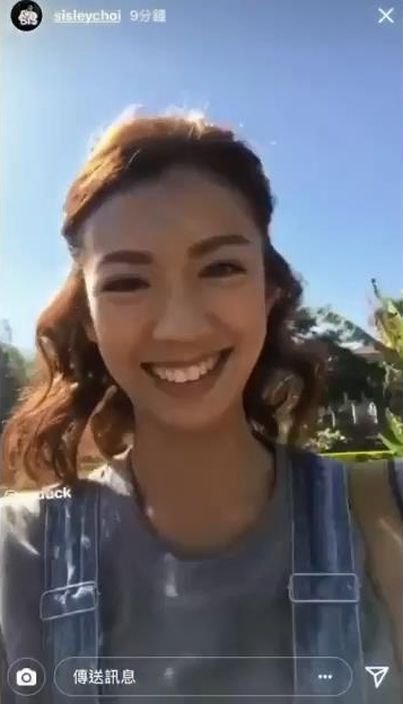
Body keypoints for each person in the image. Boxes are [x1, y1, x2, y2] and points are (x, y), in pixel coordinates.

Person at [0, 110, 402, 704]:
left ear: (268, 293)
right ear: (88, 318)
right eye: (128, 282)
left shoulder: (386, 514)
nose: (180, 326)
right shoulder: (18, 555)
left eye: (220, 268)